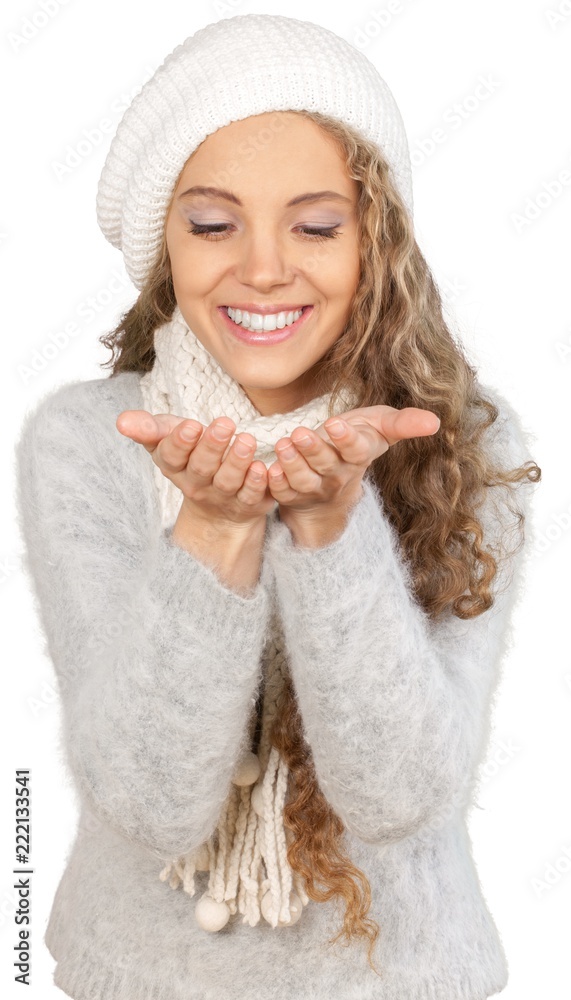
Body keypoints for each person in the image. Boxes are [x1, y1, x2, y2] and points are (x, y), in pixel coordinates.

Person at [14, 12, 541, 1000]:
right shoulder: (85, 440)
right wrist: (211, 530)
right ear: (165, 243)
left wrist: (333, 530)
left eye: (314, 223)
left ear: (372, 239)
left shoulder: (464, 442)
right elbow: (150, 800)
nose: (262, 266)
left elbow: (402, 803)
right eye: (213, 224)